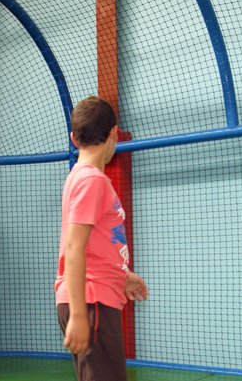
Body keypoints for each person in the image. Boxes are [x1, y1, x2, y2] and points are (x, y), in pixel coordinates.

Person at [54, 96, 149, 381]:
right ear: (113, 134)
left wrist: (123, 275)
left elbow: (98, 243)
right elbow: (74, 248)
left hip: (95, 296)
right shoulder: (91, 180)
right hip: (90, 299)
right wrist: (81, 315)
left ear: (73, 138)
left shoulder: (82, 177)